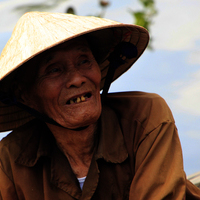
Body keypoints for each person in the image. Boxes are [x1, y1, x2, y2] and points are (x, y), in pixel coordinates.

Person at [0, 11, 199, 200]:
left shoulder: (146, 118)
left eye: (84, 60)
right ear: (24, 95)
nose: (77, 79)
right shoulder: (10, 160)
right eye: (54, 70)